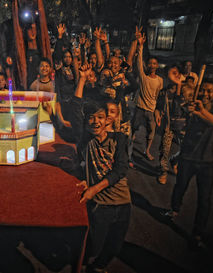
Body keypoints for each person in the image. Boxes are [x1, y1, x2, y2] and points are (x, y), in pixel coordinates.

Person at [70, 65, 131, 273]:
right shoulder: (86, 141)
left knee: (114, 247)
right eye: (91, 118)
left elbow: (121, 169)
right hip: (101, 205)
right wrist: (81, 79)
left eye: (100, 117)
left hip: (123, 203)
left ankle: (98, 268)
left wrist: (94, 187)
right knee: (94, 245)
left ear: (107, 120)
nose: (95, 121)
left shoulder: (120, 139)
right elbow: (75, 108)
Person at [165, 80, 213, 250]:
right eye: (203, 90)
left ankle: (197, 233)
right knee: (180, 186)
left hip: (208, 161)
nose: (205, 94)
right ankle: (174, 209)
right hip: (188, 157)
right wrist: (189, 113)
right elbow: (178, 122)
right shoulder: (190, 107)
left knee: (204, 200)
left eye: (209, 91)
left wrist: (202, 113)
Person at [131, 30, 163, 161]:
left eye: (154, 63)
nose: (152, 65)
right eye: (150, 63)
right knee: (133, 130)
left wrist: (158, 112)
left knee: (151, 133)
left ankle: (147, 150)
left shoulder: (160, 80)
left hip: (151, 110)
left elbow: (158, 97)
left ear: (157, 66)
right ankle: (129, 149)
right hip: (140, 108)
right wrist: (141, 46)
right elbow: (138, 62)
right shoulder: (143, 77)